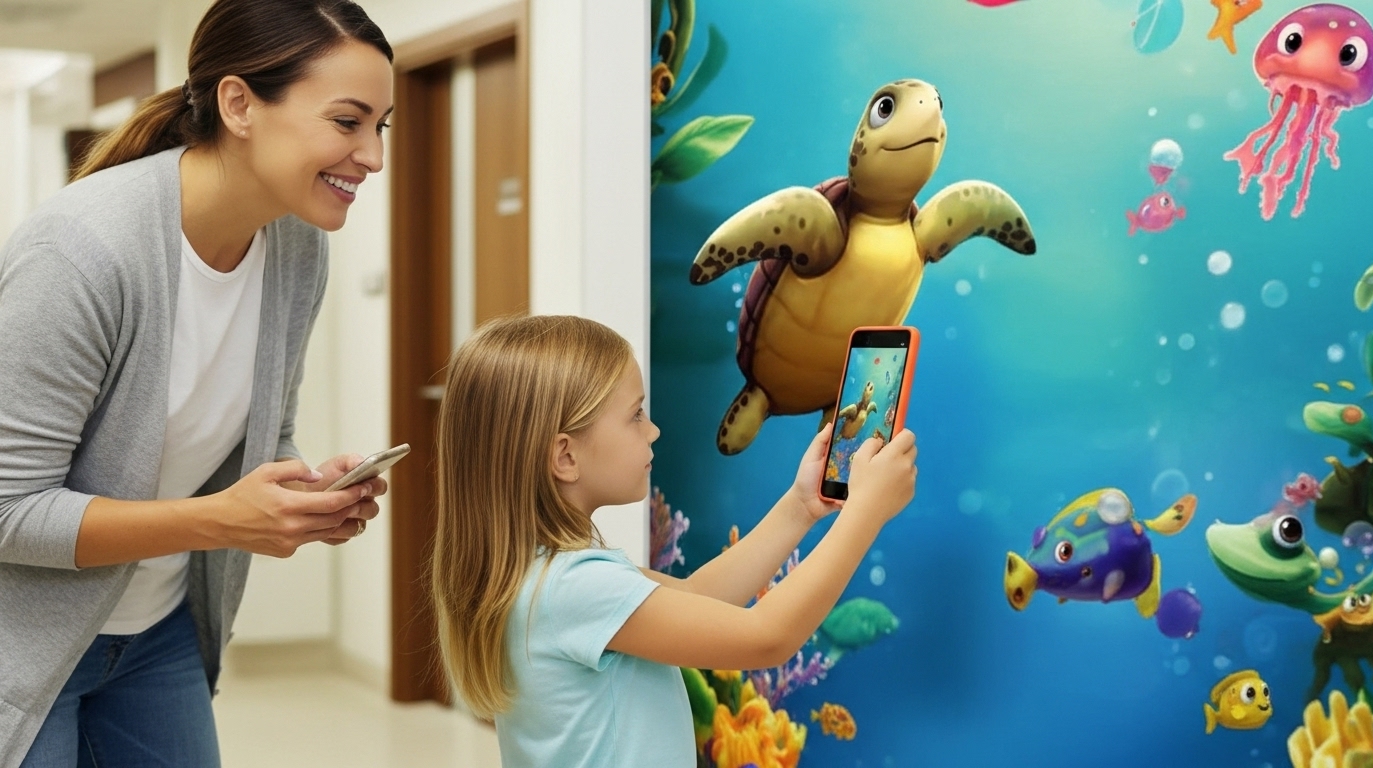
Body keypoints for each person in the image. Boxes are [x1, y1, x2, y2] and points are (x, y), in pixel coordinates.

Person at [0, 1, 395, 765]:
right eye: (348, 123)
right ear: (240, 103)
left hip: (160, 634)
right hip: (23, 648)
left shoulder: (295, 248)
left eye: (381, 126)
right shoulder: (83, 253)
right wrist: (220, 520)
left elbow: (258, 438)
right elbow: (8, 509)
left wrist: (300, 490)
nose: (372, 157)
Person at [430, 315, 918, 766]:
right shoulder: (577, 588)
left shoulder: (542, 575)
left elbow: (695, 597)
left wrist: (800, 506)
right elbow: (766, 637)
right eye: (636, 415)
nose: (654, 429)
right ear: (565, 456)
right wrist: (865, 515)